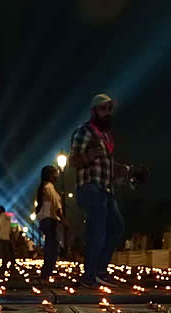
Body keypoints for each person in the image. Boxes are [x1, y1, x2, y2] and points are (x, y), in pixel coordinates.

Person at [69, 93, 126, 289]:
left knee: (116, 228)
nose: (108, 113)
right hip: (90, 187)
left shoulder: (107, 136)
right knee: (98, 230)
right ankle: (90, 276)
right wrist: (89, 155)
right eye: (103, 109)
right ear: (94, 111)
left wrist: (122, 169)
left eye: (110, 109)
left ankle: (100, 271)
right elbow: (73, 160)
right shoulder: (84, 132)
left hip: (107, 189)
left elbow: (106, 163)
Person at [36, 165, 64, 278]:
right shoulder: (49, 187)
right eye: (55, 174)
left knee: (50, 245)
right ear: (50, 175)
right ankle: (47, 272)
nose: (57, 176)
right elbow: (56, 206)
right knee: (52, 247)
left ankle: (46, 272)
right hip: (50, 220)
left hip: (44, 219)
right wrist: (64, 220)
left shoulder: (44, 187)